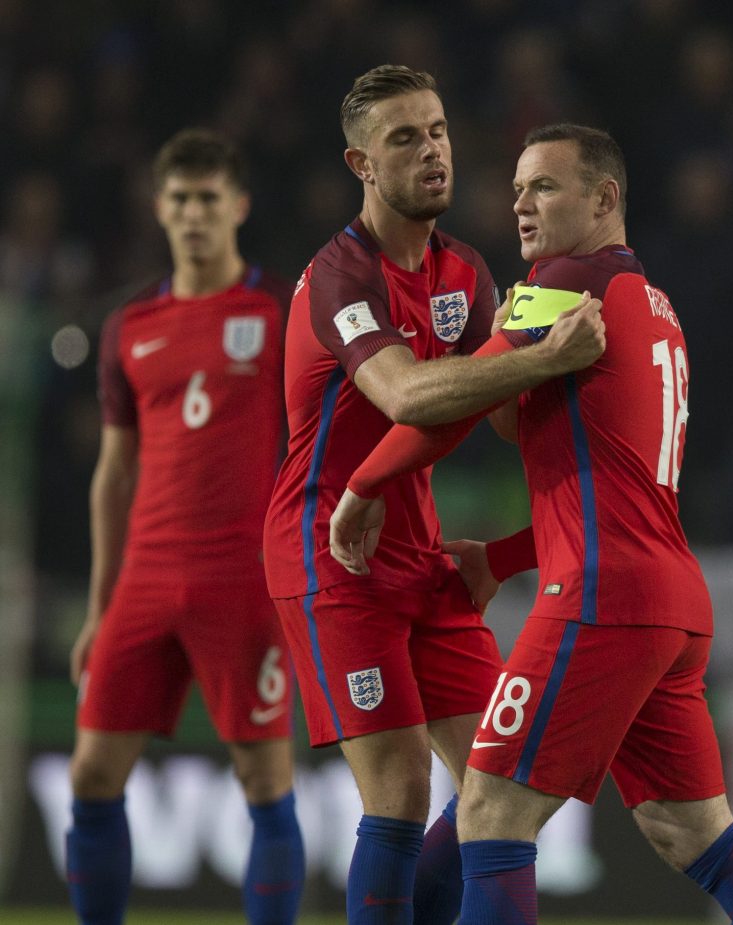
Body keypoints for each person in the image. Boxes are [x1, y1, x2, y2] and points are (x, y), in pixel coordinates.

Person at [330, 123, 733, 924]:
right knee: (696, 834)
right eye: (517, 187)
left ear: (604, 198)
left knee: (490, 811)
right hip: (669, 600)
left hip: (602, 601)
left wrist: (367, 481)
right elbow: (615, 486)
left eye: (544, 187)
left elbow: (455, 404)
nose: (521, 202)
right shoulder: (655, 307)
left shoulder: (565, 284)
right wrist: (507, 554)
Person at [261, 66, 604, 925]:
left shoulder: (466, 271)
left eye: (440, 130)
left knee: (503, 771)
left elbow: (496, 413)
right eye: (404, 138)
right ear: (361, 163)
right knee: (402, 790)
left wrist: (596, 382)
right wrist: (546, 358)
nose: (433, 151)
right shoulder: (338, 277)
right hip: (331, 554)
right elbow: (409, 396)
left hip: (425, 557)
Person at [67, 129, 304, 925]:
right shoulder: (129, 324)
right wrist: (101, 607)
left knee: (264, 779)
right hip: (146, 575)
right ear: (158, 208)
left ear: (237, 206)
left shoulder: (277, 313)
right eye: (179, 199)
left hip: (242, 577)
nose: (194, 213)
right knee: (92, 772)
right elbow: (114, 472)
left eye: (208, 198)